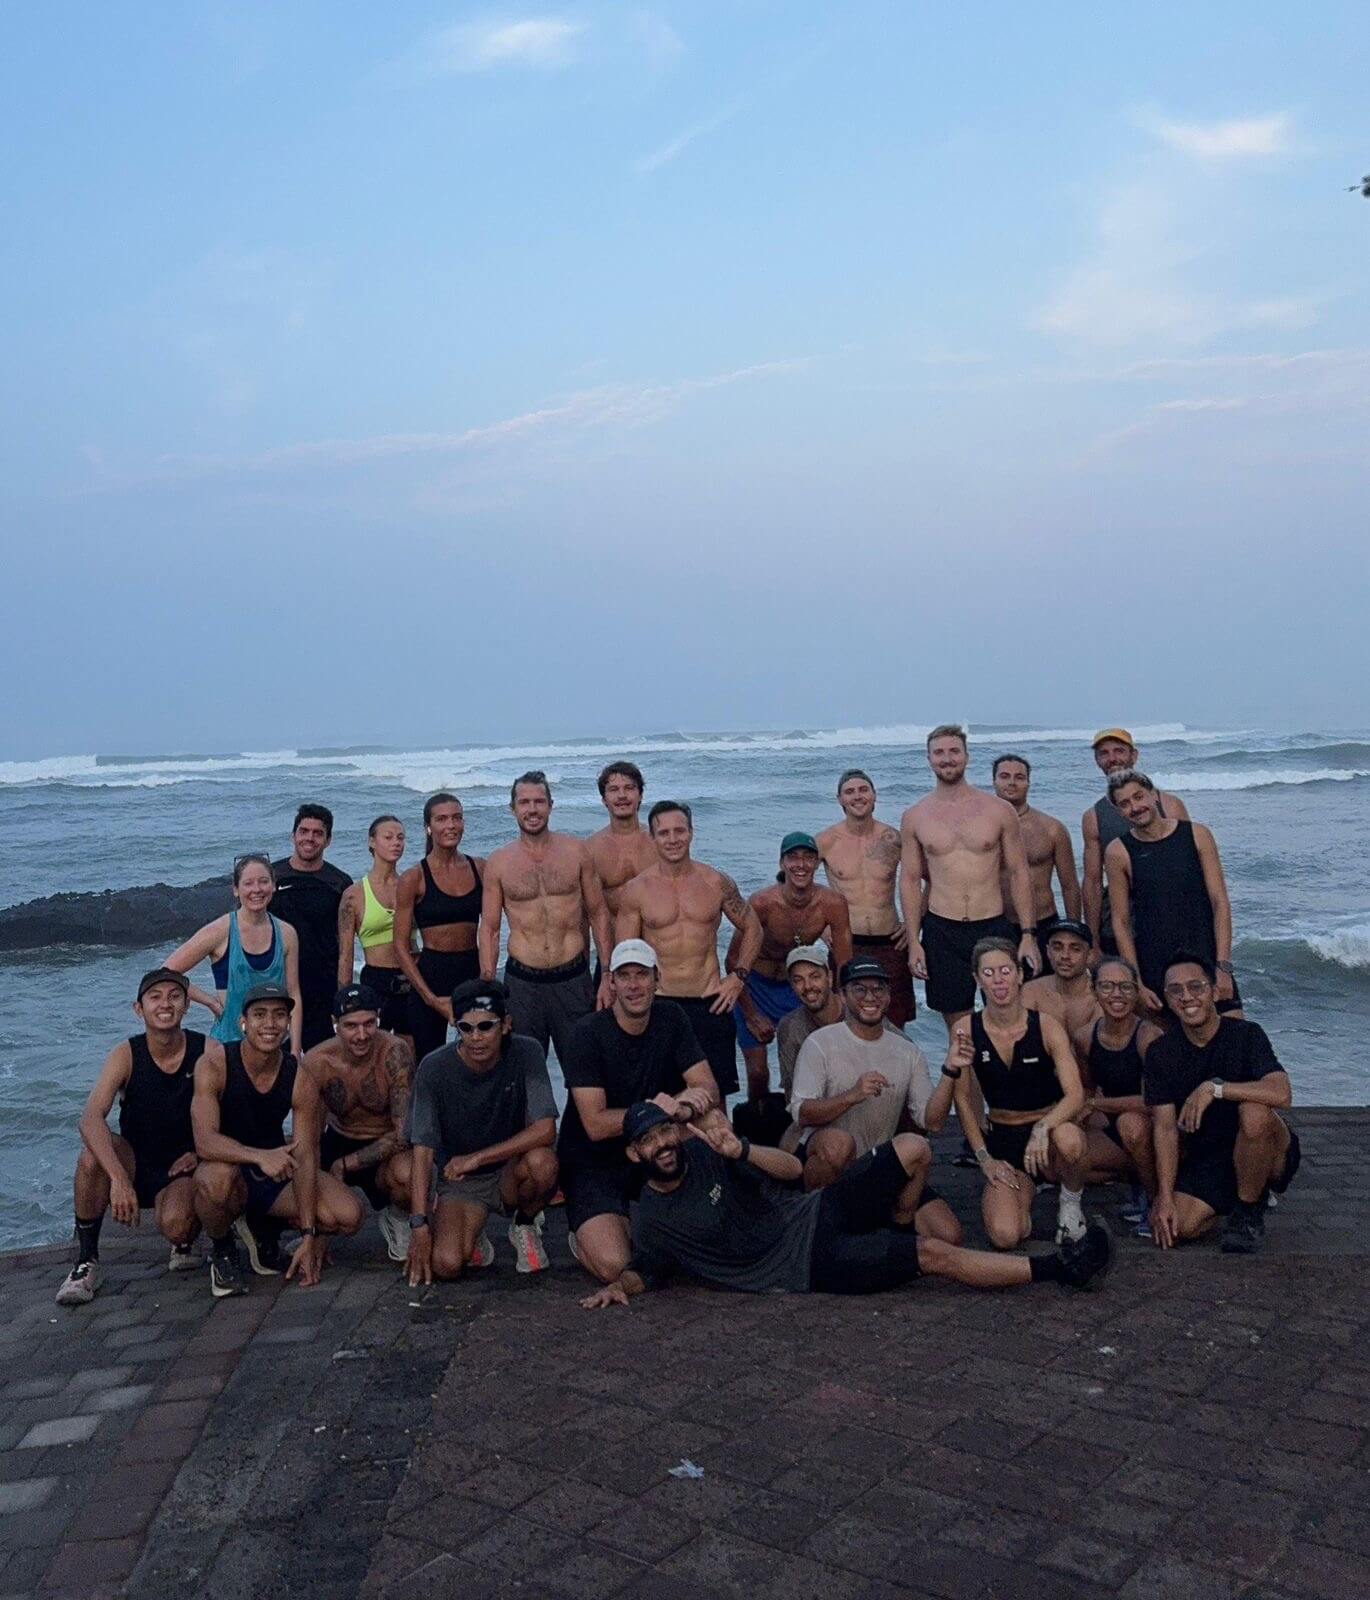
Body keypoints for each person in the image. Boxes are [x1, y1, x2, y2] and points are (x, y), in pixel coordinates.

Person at [581, 1105, 1113, 1307]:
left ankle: (894, 1224)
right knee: (931, 1255)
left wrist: (739, 1148)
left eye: (666, 1132)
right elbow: (643, 1271)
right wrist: (616, 1286)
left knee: (912, 1148)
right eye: (649, 1141)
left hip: (813, 1212)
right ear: (635, 1152)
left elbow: (791, 1174)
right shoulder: (652, 1218)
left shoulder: (705, 1152)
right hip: (805, 1265)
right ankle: (1059, 1269)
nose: (663, 1145)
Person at [556, 940, 717, 1283]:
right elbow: (596, 1124)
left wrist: (685, 1106)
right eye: (624, 976)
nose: (633, 985)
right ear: (610, 983)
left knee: (714, 1121)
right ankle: (587, 1233)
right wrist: (658, 1110)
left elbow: (708, 1089)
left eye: (642, 975)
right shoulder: (586, 1034)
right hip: (595, 1162)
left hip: (654, 1150)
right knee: (617, 1267)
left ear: (657, 979)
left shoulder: (672, 1017)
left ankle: (695, 1210)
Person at [191, 983, 362, 1296]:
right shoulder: (215, 1065)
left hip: (273, 1173)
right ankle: (223, 1248)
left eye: (279, 1015)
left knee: (348, 1216)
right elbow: (204, 1140)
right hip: (226, 1167)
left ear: (288, 1023)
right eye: (259, 1015)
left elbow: (307, 1155)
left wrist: (310, 1234)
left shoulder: (298, 1076)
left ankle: (263, 1227)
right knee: (216, 1181)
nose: (269, 1024)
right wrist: (259, 1156)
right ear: (243, 1022)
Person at [55, 969, 207, 1306]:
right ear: (139, 1009)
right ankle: (86, 1261)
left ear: (186, 1006)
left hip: (182, 1167)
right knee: (92, 1157)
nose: (165, 1004)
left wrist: (202, 1153)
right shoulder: (126, 1054)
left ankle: (185, 1240)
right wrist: (119, 1179)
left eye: (174, 996)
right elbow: (90, 1117)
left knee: (177, 1226)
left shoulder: (206, 1049)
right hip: (135, 1162)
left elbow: (231, 1113)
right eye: (155, 997)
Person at [789, 958, 961, 1244]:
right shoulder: (820, 1043)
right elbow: (802, 1113)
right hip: (835, 1166)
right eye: (859, 989)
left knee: (948, 1235)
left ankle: (897, 1228)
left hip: (877, 1168)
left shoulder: (908, 1051)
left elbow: (932, 1121)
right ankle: (817, 1218)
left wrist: (950, 1070)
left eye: (878, 989)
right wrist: (852, 1096)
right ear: (842, 995)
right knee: (837, 1144)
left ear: (889, 997)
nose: (870, 997)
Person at [404, 979, 559, 1283]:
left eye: (486, 1026)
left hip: (508, 1171)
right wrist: (419, 1224)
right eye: (466, 1028)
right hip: (461, 1181)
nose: (476, 1038)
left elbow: (546, 1130)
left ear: (505, 1025)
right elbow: (422, 1152)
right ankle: (472, 1231)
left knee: (543, 1164)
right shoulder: (434, 1067)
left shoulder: (527, 1052)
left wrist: (477, 1158)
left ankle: (525, 1223)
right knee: (446, 1265)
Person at [1144, 953, 1299, 1254]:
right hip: (1210, 1156)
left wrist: (1215, 1089)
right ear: (1166, 998)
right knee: (1180, 1228)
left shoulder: (1246, 1034)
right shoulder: (1160, 1052)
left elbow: (1282, 1094)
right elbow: (1164, 1129)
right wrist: (1163, 1197)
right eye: (1176, 990)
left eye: (1196, 987)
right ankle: (1233, 1197)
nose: (1187, 997)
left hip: (1267, 1147)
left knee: (1253, 1112)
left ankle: (1248, 1210)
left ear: (1214, 992)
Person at [613, 799, 762, 1101]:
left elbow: (753, 928)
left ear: (691, 833)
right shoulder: (637, 890)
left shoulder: (715, 882)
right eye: (664, 833)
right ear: (652, 838)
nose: (673, 839)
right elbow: (626, 955)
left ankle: (719, 1150)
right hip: (660, 1005)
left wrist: (738, 977)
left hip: (710, 1002)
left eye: (679, 831)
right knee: (661, 1101)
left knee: (715, 1100)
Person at [900, 726, 1040, 1041]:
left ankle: (1005, 1089)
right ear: (928, 759)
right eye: (939, 752)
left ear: (967, 756)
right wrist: (914, 941)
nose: (947, 759)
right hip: (942, 929)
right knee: (959, 1031)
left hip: (991, 925)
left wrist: (1028, 934)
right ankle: (966, 1092)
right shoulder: (915, 816)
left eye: (954, 751)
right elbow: (909, 880)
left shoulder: (998, 810)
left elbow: (1019, 873)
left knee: (1008, 1022)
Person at [954, 938, 1090, 1247]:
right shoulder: (965, 1028)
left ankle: (1070, 1204)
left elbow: (1075, 1095)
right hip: (1005, 1137)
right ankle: (1024, 1199)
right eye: (988, 973)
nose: (998, 979)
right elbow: (962, 1099)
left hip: (1049, 1134)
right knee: (1005, 1236)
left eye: (1005, 970)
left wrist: (1044, 1127)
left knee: (1070, 1139)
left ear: (1019, 974)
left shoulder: (1046, 1026)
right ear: (977, 980)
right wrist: (984, 1157)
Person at [480, 772, 613, 1065]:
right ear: (512, 808)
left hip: (573, 979)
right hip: (522, 983)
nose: (532, 809)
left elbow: (598, 913)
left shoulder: (576, 852)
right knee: (524, 1069)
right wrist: (489, 984)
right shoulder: (499, 862)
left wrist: (606, 975)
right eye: (524, 802)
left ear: (551, 805)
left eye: (539, 801)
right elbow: (489, 928)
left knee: (584, 1069)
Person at [1104, 770, 1242, 1018]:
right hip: (1155, 963)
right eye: (1125, 804)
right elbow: (1121, 922)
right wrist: (1137, 982)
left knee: (1234, 1035)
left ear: (1154, 796)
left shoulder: (1197, 835)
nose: (1135, 807)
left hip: (1206, 955)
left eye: (1138, 797)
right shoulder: (1118, 851)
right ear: (1118, 811)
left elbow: (1220, 902)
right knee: (1168, 1050)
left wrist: (1223, 967)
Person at [731, 833, 853, 1100]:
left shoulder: (832, 904)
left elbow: (844, 961)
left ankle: (806, 1118)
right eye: (793, 858)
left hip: (795, 987)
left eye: (808, 858)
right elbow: (733, 961)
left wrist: (841, 999)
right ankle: (759, 1121)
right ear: (782, 863)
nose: (801, 865)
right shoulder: (762, 904)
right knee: (758, 1072)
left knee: (809, 1063)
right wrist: (751, 1014)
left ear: (817, 864)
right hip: (756, 988)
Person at [303, 983, 414, 1264]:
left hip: (386, 1143)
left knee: (409, 1175)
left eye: (369, 1024)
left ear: (378, 1019)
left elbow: (404, 1134)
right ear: (335, 1024)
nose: (362, 1035)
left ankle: (398, 1216)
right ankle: (319, 1228)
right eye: (351, 1026)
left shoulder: (395, 1053)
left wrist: (347, 1164)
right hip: (338, 1138)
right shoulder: (317, 1062)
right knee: (300, 1168)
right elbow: (309, 1138)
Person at [163, 853, 303, 1056]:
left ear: (273, 886)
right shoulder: (220, 931)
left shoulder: (287, 933)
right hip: (229, 1047)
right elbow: (166, 972)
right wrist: (209, 1001)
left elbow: (294, 994)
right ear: (236, 890)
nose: (257, 890)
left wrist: (295, 1049)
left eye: (263, 882)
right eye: (248, 883)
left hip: (275, 1045)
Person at [817, 770, 915, 1026]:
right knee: (844, 1020)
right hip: (846, 944)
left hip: (891, 942)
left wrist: (915, 923)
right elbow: (795, 882)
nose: (857, 796)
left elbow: (927, 877)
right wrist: (819, 925)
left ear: (874, 796)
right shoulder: (826, 841)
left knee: (894, 1022)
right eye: (850, 792)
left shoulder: (893, 839)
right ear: (839, 799)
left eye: (863, 790)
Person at [1072, 956, 1162, 1234]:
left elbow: (1153, 1103)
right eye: (1108, 986)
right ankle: (1136, 1172)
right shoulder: (1085, 1036)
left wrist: (1096, 1104)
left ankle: (1155, 1199)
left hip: (1157, 1127)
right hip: (1113, 1124)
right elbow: (1087, 1088)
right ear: (1094, 990)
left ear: (1136, 992)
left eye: (1125, 987)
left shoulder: (1149, 1036)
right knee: (1061, 1159)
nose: (1117, 995)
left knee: (1131, 1125)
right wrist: (1077, 1119)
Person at [393, 793, 484, 1066]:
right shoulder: (414, 878)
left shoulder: (480, 868)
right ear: (428, 827)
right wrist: (431, 999)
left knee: (479, 1058)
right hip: (431, 977)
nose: (451, 825)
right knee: (429, 1064)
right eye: (442, 819)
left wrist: (488, 979)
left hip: (471, 972)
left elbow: (495, 924)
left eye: (457, 818)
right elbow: (400, 945)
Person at [1082, 729, 1189, 959]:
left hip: (1168, 921)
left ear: (1134, 756)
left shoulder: (1170, 805)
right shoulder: (1094, 816)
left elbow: (1189, 871)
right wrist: (1092, 941)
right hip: (1118, 924)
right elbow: (1092, 881)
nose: (1112, 759)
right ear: (1097, 761)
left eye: (1119, 751)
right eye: (1104, 753)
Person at [272, 805, 354, 1052]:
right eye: (303, 831)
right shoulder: (272, 877)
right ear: (293, 835)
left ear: (328, 840)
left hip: (323, 988)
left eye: (318, 833)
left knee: (323, 1062)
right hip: (277, 984)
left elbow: (346, 943)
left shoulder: (340, 882)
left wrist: (344, 992)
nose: (309, 838)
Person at [991, 754, 1081, 967]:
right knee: (999, 993)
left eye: (1019, 777)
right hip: (996, 923)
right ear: (994, 781)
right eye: (1005, 776)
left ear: (1029, 782)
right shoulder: (980, 830)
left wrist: (1074, 929)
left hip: (1043, 923)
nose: (1012, 782)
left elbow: (1069, 886)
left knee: (1046, 993)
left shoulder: (1052, 829)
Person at [336, 814, 412, 1039]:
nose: (396, 842)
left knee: (412, 1052)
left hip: (412, 979)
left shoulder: (412, 885)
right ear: (371, 842)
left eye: (400, 838)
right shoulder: (354, 895)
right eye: (388, 837)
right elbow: (346, 955)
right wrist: (344, 1000)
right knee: (375, 1049)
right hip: (377, 981)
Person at [585, 762, 658, 932]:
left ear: (640, 795)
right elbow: (587, 913)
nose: (622, 795)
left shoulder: (660, 843)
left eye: (629, 788)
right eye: (613, 790)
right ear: (604, 799)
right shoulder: (591, 849)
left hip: (658, 948)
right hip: (614, 949)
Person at [1023, 919, 1100, 1036]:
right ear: (1048, 951)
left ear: (1090, 955)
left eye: (1075, 949)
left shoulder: (1101, 996)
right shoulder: (1032, 991)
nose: (1065, 956)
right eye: (1057, 948)